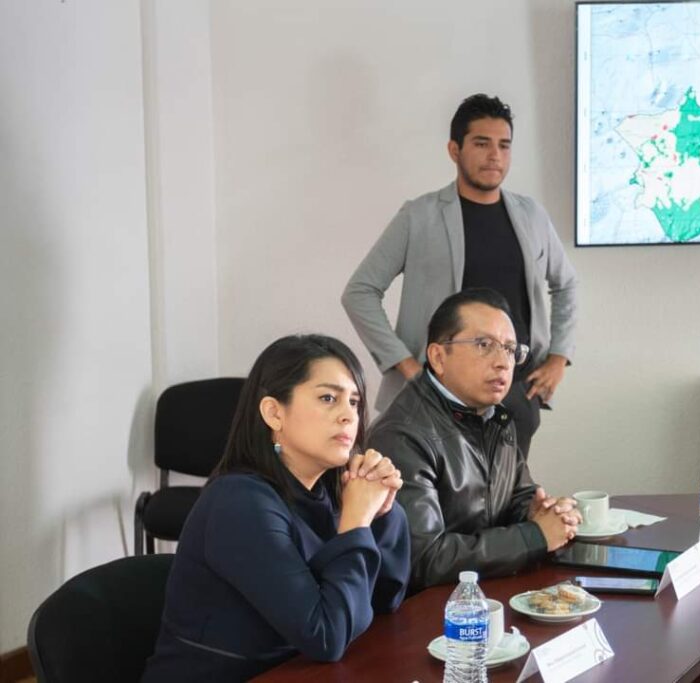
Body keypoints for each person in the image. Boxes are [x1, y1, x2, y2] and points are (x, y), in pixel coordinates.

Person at [143, 335, 410, 682]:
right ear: (273, 413)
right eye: (328, 398)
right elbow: (326, 637)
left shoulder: (327, 491)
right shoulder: (239, 503)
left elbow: (385, 599)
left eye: (355, 401)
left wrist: (382, 514)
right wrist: (357, 523)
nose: (349, 415)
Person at [342, 93, 578, 458]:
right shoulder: (419, 216)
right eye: (481, 143)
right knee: (427, 490)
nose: (494, 155)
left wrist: (558, 358)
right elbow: (360, 291)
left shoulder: (531, 215)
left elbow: (566, 284)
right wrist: (407, 365)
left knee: (507, 489)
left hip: (513, 390)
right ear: (455, 150)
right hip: (437, 393)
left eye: (504, 145)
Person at [367, 289, 580, 593]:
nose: (503, 362)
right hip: (428, 609)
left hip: (482, 593)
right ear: (438, 357)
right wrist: (534, 536)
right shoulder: (402, 435)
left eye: (510, 349)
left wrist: (541, 513)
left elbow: (516, 497)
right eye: (484, 345)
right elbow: (424, 559)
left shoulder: (495, 415)